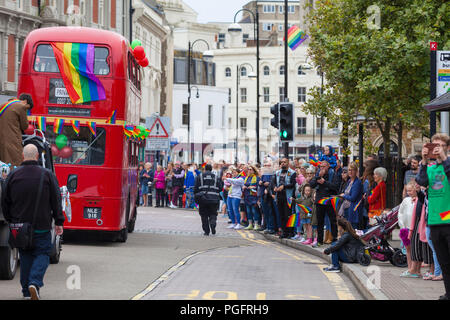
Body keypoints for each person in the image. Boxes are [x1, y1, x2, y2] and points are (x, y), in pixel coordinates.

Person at [1, 144, 64, 300]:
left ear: (23, 156)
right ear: (37, 157)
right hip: (41, 226)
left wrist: (10, 219)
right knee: (42, 253)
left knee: (26, 256)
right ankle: (34, 283)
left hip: (20, 227)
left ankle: (26, 292)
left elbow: (5, 201)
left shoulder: (13, 175)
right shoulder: (47, 175)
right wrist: (59, 221)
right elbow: (56, 199)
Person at [416, 134, 450, 300]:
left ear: (448, 148)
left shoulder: (448, 165)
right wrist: (423, 161)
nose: (437, 149)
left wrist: (444, 158)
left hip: (448, 219)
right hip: (434, 221)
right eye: (434, 146)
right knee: (444, 262)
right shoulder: (430, 167)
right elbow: (421, 181)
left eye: (441, 145)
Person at [309, 160, 341, 247]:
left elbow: (335, 187)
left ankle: (334, 239)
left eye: (323, 167)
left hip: (329, 200)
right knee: (320, 221)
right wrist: (317, 177)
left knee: (332, 220)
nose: (321, 168)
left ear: (328, 167)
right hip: (320, 200)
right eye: (320, 167)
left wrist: (324, 182)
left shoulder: (333, 174)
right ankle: (319, 240)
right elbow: (311, 185)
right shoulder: (318, 174)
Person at [0, 94, 34, 167]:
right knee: (15, 163)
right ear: (25, 102)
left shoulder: (3, 105)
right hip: (13, 140)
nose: (26, 110)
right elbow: (25, 126)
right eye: (27, 108)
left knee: (3, 164)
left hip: (2, 140)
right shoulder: (21, 106)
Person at [194, 164, 223, 236]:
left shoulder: (199, 176)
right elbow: (220, 187)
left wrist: (196, 196)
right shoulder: (216, 177)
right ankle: (213, 223)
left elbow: (196, 188)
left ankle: (206, 231)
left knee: (204, 215)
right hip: (214, 199)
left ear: (205, 169)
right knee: (213, 213)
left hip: (203, 199)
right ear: (211, 169)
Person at [272, 158, 297, 238]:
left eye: (284, 162)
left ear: (288, 163)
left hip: (288, 197)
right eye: (281, 162)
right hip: (279, 196)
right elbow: (273, 182)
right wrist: (275, 187)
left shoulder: (292, 173)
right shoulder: (277, 173)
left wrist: (284, 186)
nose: (283, 163)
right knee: (282, 215)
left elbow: (293, 184)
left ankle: (291, 232)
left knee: (288, 215)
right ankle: (284, 232)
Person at [338, 162, 363, 230]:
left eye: (352, 170)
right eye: (349, 170)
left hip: (354, 210)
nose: (350, 172)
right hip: (347, 209)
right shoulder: (349, 181)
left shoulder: (357, 182)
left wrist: (344, 196)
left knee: (353, 231)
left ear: (356, 171)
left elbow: (353, 198)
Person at [398, 181, 416, 272]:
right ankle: (409, 268)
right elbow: (400, 213)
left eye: (410, 191)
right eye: (407, 191)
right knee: (408, 249)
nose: (408, 193)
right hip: (405, 228)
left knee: (414, 250)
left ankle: (414, 268)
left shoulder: (418, 200)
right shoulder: (405, 200)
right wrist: (402, 225)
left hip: (414, 229)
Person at [258, 160, 276, 234]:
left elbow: (269, 183)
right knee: (265, 212)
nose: (266, 167)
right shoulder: (264, 174)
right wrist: (261, 183)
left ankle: (271, 228)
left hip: (269, 195)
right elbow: (261, 183)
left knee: (270, 212)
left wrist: (265, 184)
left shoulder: (272, 174)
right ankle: (268, 227)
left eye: (268, 165)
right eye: (265, 165)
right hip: (263, 195)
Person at [243, 165, 261, 231]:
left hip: (254, 196)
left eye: (251, 169)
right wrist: (244, 187)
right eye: (248, 169)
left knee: (254, 211)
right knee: (248, 211)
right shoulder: (246, 178)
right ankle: (250, 224)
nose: (249, 171)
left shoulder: (257, 178)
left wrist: (254, 187)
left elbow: (259, 186)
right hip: (247, 196)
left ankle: (256, 224)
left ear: (254, 170)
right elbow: (245, 185)